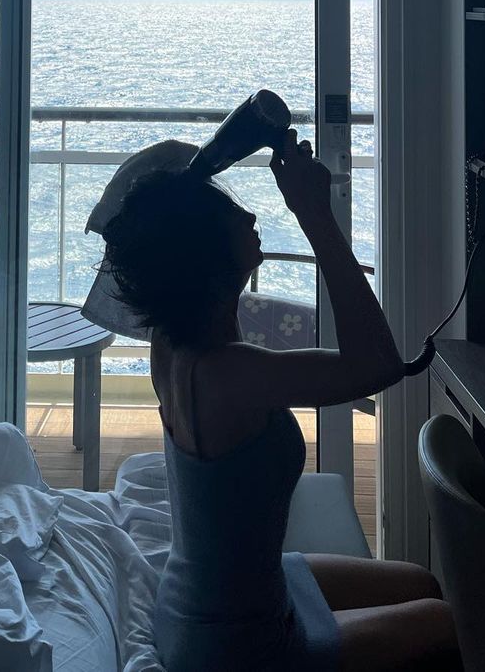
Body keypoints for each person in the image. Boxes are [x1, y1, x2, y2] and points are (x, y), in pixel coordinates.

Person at [100, 129, 458, 672]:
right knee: (445, 622)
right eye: (230, 216)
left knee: (420, 581)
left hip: (208, 600)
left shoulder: (172, 339)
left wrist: (199, 176)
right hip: (237, 644)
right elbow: (378, 365)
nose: (248, 216)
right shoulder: (227, 374)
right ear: (205, 258)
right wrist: (314, 213)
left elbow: (157, 230)